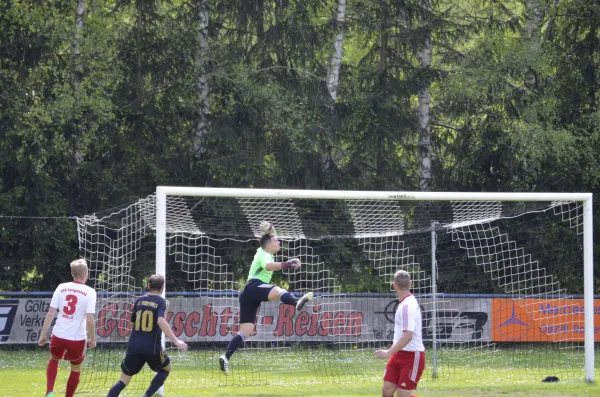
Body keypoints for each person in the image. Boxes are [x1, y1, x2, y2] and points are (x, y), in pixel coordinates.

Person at [219, 221, 313, 375]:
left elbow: (271, 237)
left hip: (248, 294)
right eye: (276, 240)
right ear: (269, 244)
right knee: (278, 290)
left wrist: (270, 229)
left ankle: (225, 357)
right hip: (253, 286)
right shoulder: (264, 254)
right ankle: (296, 302)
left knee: (246, 331)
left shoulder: (263, 249)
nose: (279, 241)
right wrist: (286, 264)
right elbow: (268, 266)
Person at [107, 274, 188, 397]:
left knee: (123, 379)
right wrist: (176, 340)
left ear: (149, 286)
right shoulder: (161, 301)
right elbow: (161, 321)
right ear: (162, 287)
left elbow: (132, 322)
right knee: (166, 368)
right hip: (152, 348)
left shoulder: (139, 300)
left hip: (134, 346)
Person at [38, 259, 97, 397]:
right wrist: (93, 339)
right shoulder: (90, 292)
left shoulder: (61, 287)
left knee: (53, 359)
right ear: (86, 274)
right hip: (77, 338)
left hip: (58, 334)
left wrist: (43, 334)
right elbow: (89, 319)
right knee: (75, 368)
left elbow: (51, 313)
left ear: (72, 273)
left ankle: (50, 392)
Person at [375, 270, 425, 397]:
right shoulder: (405, 304)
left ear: (394, 285)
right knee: (387, 390)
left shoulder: (407, 306)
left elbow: (408, 335)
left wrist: (388, 352)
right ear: (411, 284)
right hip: (398, 353)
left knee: (403, 395)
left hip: (412, 356)